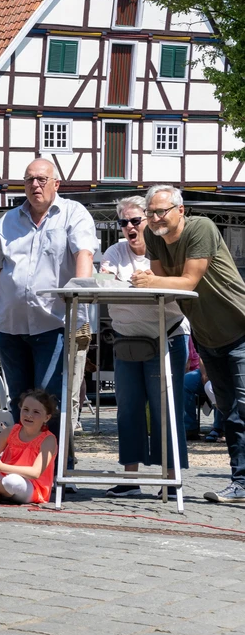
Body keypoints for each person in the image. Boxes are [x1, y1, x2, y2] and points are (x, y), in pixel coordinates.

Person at [134, 184, 245, 504]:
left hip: (239, 330)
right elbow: (163, 291)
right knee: (231, 414)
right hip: (208, 338)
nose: (154, 218)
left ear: (180, 211)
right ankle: (241, 483)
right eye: (150, 213)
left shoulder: (202, 228)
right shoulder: (154, 237)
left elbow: (187, 281)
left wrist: (150, 281)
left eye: (161, 211)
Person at [0, 159, 96, 421]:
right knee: (19, 401)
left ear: (56, 184)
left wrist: (79, 303)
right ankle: (23, 459)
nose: (35, 185)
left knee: (49, 400)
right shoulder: (8, 221)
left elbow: (84, 255)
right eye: (29, 179)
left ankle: (53, 461)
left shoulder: (73, 214)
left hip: (53, 324)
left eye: (42, 179)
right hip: (10, 326)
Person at [101, 195, 189, 495]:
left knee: (166, 409)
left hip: (167, 337)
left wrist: (153, 281)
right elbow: (104, 283)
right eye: (123, 222)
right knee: (127, 409)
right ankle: (130, 479)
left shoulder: (162, 250)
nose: (129, 227)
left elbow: (180, 288)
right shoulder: (114, 252)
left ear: (148, 220)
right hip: (127, 339)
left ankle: (170, 480)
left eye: (135, 220)